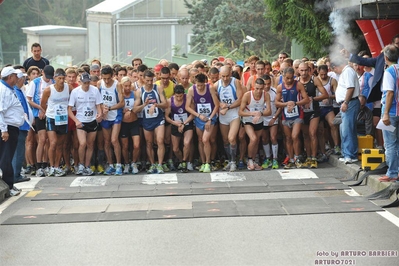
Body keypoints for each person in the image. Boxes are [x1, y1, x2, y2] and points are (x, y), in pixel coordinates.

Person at [341, 34, 399, 103]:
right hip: (385, 96)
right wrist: (349, 56)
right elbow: (366, 61)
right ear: (392, 44)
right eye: (397, 43)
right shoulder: (382, 57)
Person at [133, 70, 168, 174]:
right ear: (143, 79)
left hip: (158, 118)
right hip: (147, 120)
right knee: (149, 143)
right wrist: (145, 104)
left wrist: (156, 105)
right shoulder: (139, 91)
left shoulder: (158, 88)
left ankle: (160, 165)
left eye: (151, 80)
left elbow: (166, 104)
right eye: (147, 80)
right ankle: (152, 164)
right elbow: (135, 109)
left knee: (160, 140)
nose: (149, 82)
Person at [68, 73, 103, 175]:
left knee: (90, 144)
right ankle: (81, 165)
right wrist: (76, 121)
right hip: (81, 121)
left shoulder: (95, 90)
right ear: (80, 82)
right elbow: (69, 109)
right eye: (84, 83)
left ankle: (87, 166)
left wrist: (99, 114)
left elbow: (98, 105)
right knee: (82, 143)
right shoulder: (75, 92)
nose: (87, 85)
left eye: (88, 82)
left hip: (92, 120)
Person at [275, 67, 310, 169]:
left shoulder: (298, 85)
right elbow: (276, 102)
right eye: (287, 78)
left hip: (298, 115)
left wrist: (295, 103)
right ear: (283, 77)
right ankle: (290, 159)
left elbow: (306, 99)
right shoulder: (280, 87)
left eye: (291, 78)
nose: (289, 80)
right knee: (288, 138)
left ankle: (297, 158)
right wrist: (286, 104)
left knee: (295, 136)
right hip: (286, 116)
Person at [40, 68, 72, 177]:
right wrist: (46, 112)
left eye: (63, 78)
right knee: (52, 142)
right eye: (59, 78)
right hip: (52, 117)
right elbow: (43, 103)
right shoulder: (48, 90)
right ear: (55, 78)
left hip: (63, 118)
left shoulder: (68, 88)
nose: (62, 81)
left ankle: (57, 166)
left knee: (60, 144)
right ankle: (51, 166)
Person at [186, 73, 220, 173]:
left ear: (205, 83)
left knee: (206, 140)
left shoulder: (210, 88)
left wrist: (210, 119)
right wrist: (198, 115)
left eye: (201, 85)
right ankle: (203, 162)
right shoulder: (191, 90)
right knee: (200, 140)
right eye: (198, 85)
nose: (200, 87)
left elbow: (217, 105)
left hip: (210, 117)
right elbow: (187, 107)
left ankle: (208, 163)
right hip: (199, 117)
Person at [297, 62, 328, 168]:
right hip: (302, 111)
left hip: (314, 110)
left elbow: (325, 94)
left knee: (312, 133)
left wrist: (312, 99)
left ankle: (314, 158)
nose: (304, 72)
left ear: (309, 70)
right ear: (298, 71)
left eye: (306, 70)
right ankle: (309, 157)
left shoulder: (314, 79)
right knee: (306, 135)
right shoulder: (297, 82)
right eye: (301, 70)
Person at [0, 67, 25, 196]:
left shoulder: (9, 89)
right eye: (15, 76)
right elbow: (0, 112)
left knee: (7, 156)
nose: (17, 78)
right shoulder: (3, 90)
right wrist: (4, 130)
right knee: (6, 157)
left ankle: (9, 184)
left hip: (12, 127)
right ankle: (8, 185)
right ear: (10, 77)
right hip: (7, 127)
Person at [26, 65, 54, 177]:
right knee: (42, 140)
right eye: (46, 77)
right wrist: (40, 108)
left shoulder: (53, 82)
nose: (48, 79)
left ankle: (45, 164)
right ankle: (38, 165)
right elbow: (29, 99)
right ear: (42, 73)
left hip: (51, 114)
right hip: (39, 114)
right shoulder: (35, 82)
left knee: (49, 141)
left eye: (49, 77)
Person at [239, 78, 271, 170]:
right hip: (248, 120)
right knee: (253, 139)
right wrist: (252, 113)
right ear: (254, 87)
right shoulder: (247, 95)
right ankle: (249, 160)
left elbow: (269, 111)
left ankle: (253, 160)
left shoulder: (266, 95)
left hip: (259, 120)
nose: (259, 91)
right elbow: (240, 112)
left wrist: (260, 113)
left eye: (261, 89)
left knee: (256, 141)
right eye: (257, 88)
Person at [215, 66, 243, 172]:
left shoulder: (235, 82)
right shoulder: (217, 84)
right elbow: (214, 98)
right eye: (223, 76)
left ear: (230, 74)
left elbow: (240, 99)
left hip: (234, 114)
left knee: (232, 138)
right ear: (220, 75)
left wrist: (228, 107)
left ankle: (233, 162)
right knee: (225, 140)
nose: (225, 78)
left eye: (227, 76)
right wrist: (220, 104)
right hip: (223, 115)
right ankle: (229, 160)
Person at [333, 57, 360, 164]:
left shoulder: (348, 71)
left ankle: (350, 155)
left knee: (348, 129)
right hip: (347, 103)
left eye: (334, 68)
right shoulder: (346, 72)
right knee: (345, 129)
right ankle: (346, 153)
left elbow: (350, 88)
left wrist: (345, 102)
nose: (334, 71)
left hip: (350, 103)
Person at [98, 66, 124, 175]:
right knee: (107, 141)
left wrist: (109, 108)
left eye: (108, 78)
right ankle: (110, 164)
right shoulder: (100, 84)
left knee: (114, 140)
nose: (107, 81)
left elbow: (122, 103)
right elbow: (98, 100)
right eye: (104, 78)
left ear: (112, 75)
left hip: (115, 114)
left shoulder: (117, 84)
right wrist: (101, 109)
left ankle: (118, 164)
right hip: (105, 116)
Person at [379, 45, 399, 182]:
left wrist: (385, 113)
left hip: (390, 113)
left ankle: (392, 173)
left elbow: (389, 93)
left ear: (386, 58)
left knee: (390, 144)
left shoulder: (389, 72)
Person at [165, 85, 195, 173]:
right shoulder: (170, 101)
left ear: (183, 94)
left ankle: (185, 162)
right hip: (175, 124)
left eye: (181, 96)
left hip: (187, 123)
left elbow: (193, 114)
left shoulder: (188, 99)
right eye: (177, 96)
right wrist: (175, 123)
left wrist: (183, 123)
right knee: (175, 149)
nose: (179, 98)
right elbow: (166, 117)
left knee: (187, 143)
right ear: (174, 94)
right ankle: (181, 160)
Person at [12, 69, 33, 183]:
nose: (24, 80)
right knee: (18, 151)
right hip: (19, 126)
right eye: (22, 78)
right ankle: (16, 174)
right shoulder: (15, 91)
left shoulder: (19, 90)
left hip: (23, 126)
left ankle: (16, 173)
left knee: (19, 150)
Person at [119, 77, 140, 174]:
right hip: (124, 123)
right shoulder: (120, 95)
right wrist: (122, 111)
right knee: (125, 146)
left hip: (134, 122)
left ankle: (134, 162)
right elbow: (117, 106)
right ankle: (126, 163)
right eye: (125, 86)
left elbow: (136, 105)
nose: (127, 88)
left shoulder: (134, 94)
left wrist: (130, 110)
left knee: (136, 145)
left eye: (129, 85)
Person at [261, 74, 281, 169]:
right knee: (264, 139)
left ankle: (275, 159)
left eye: (268, 83)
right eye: (265, 84)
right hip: (262, 119)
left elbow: (280, 106)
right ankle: (268, 157)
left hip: (273, 117)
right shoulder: (258, 92)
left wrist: (274, 117)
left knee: (273, 137)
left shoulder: (275, 91)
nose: (267, 86)